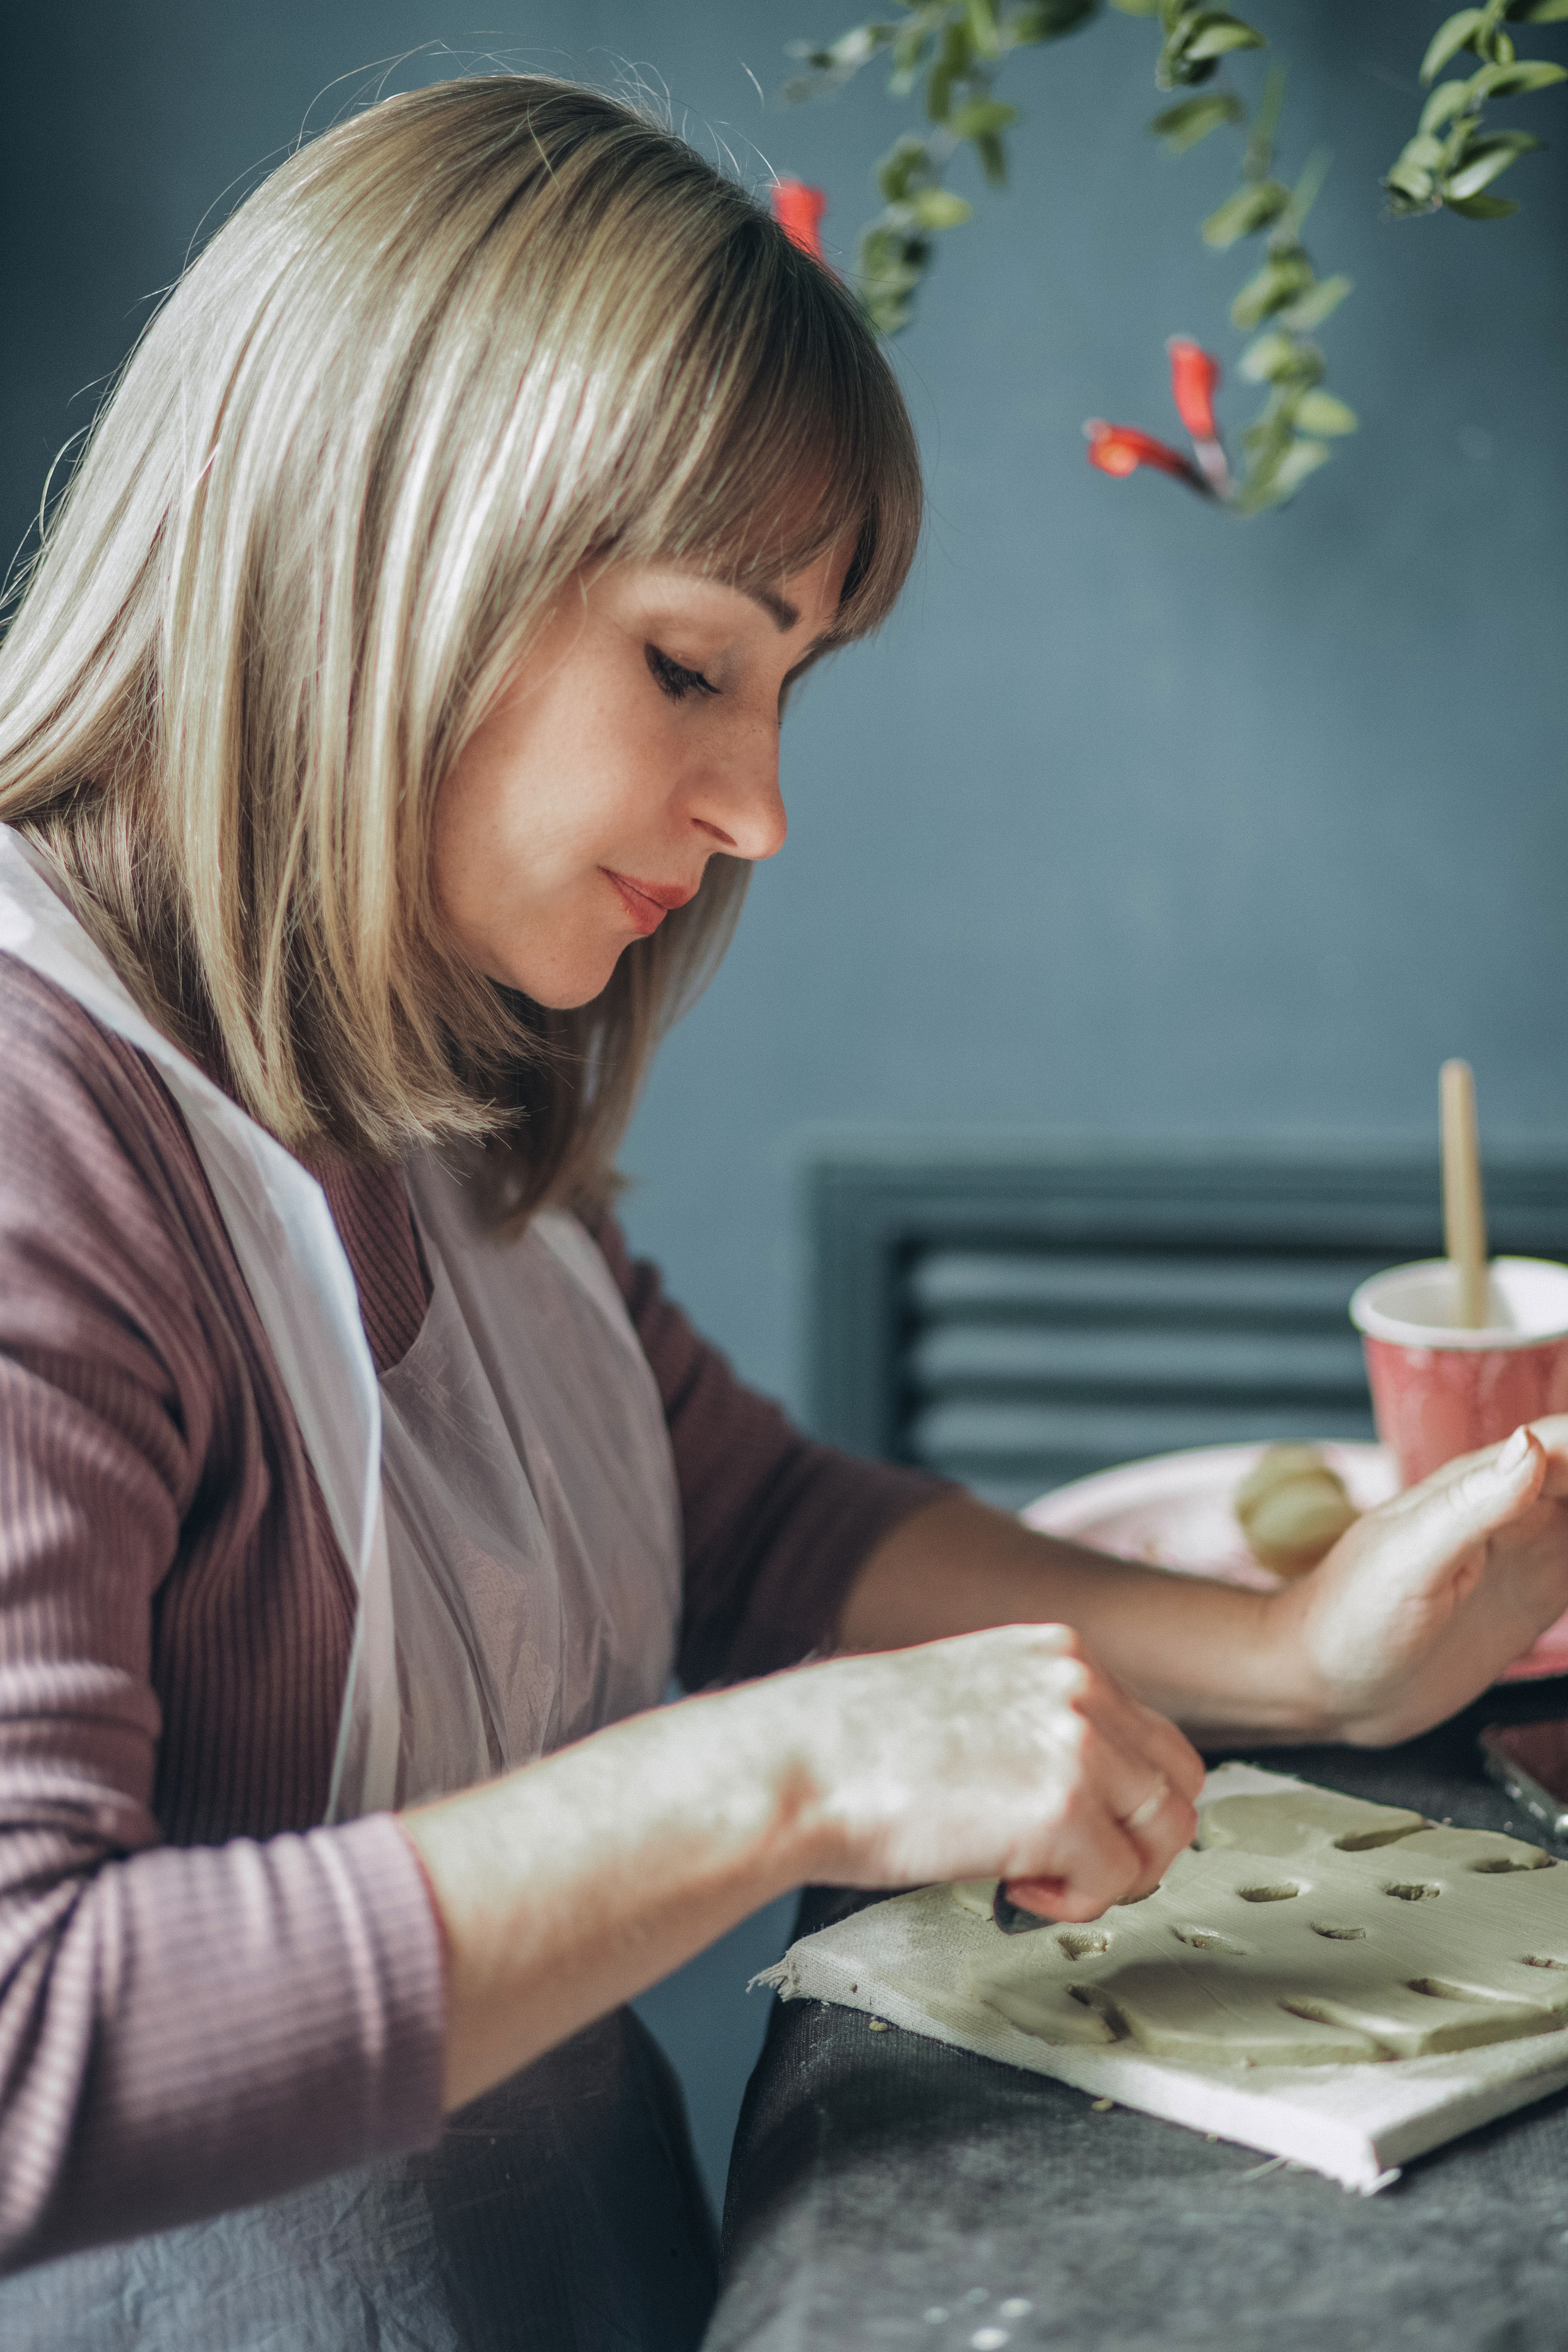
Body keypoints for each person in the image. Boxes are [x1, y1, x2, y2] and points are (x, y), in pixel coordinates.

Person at [1, 72, 1566, 2351]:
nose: (758, 809)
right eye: (687, 665)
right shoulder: (35, 1125)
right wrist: (798, 1764)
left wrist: (1302, 1660)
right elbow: (27, 2050)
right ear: (387, 540)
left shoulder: (416, 1043)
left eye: (785, 690)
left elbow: (736, 1522)